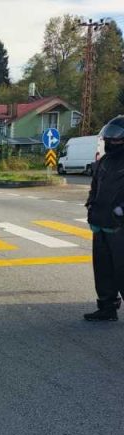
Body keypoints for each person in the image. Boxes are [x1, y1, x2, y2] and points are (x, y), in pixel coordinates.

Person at [84, 115, 124, 321]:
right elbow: (94, 188)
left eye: (115, 139)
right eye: (108, 139)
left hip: (120, 225)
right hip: (100, 222)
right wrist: (90, 206)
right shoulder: (103, 162)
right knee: (102, 268)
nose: (110, 142)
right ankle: (107, 307)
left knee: (121, 269)